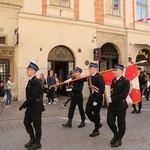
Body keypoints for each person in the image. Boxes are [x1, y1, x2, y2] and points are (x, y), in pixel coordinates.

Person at [19, 61, 45, 150]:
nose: (27, 71)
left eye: (29, 69)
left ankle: (38, 143)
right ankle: (32, 139)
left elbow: (33, 97)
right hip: (30, 107)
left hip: (36, 107)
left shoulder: (37, 82)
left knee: (37, 126)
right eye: (27, 69)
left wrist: (23, 105)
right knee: (26, 122)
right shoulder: (30, 81)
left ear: (33, 71)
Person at [106, 64, 130, 147]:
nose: (114, 72)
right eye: (114, 70)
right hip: (112, 106)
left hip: (120, 105)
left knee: (121, 123)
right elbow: (112, 91)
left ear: (121, 71)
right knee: (109, 121)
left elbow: (124, 94)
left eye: (116, 70)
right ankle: (115, 135)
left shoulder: (125, 81)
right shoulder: (113, 80)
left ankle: (119, 139)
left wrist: (112, 99)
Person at [85, 62, 105, 137]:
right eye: (89, 68)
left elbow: (102, 89)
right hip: (91, 97)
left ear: (95, 68)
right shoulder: (89, 78)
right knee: (87, 111)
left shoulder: (99, 77)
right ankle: (97, 123)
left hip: (98, 98)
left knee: (96, 114)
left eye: (91, 68)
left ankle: (96, 130)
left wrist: (96, 100)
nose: (89, 70)